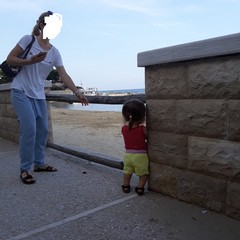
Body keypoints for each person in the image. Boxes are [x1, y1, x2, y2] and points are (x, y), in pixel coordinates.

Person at [6, 11, 89, 184]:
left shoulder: (55, 52)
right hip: (20, 90)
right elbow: (10, 59)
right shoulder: (28, 40)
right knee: (29, 129)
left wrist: (77, 92)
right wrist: (30, 61)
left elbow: (64, 75)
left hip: (38, 95)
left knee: (42, 131)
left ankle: (39, 163)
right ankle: (24, 169)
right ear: (42, 25)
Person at [121, 99, 149, 196]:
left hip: (128, 155)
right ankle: (140, 188)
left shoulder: (124, 129)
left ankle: (126, 186)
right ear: (142, 116)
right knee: (143, 173)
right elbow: (147, 137)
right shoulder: (143, 129)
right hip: (140, 156)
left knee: (127, 172)